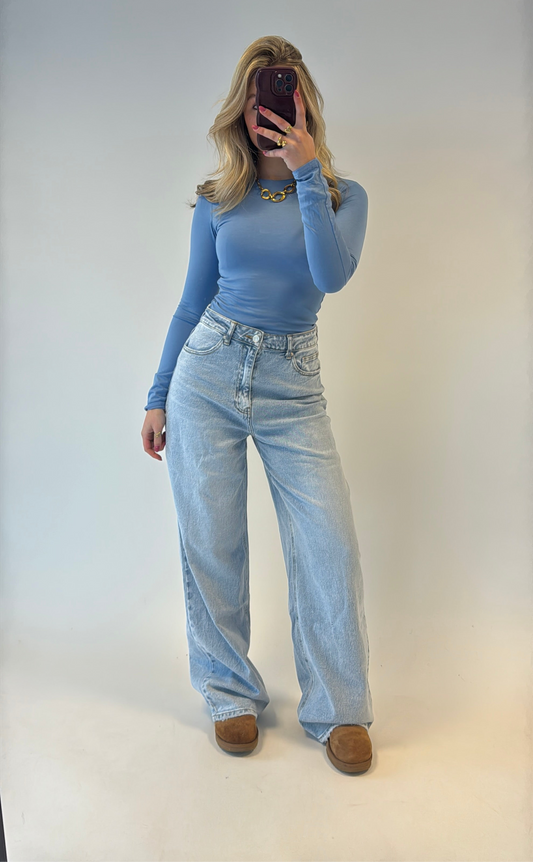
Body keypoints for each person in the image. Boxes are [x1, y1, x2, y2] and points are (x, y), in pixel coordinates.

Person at [140, 35, 375, 774]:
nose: (263, 109)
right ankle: (229, 693)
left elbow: (329, 276)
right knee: (212, 541)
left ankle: (339, 709)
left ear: (303, 104)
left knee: (328, 543)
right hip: (207, 372)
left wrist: (305, 172)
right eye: (253, 97)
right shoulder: (218, 200)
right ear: (240, 110)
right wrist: (157, 394)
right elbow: (191, 303)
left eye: (277, 94)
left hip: (293, 386)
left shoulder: (342, 197)